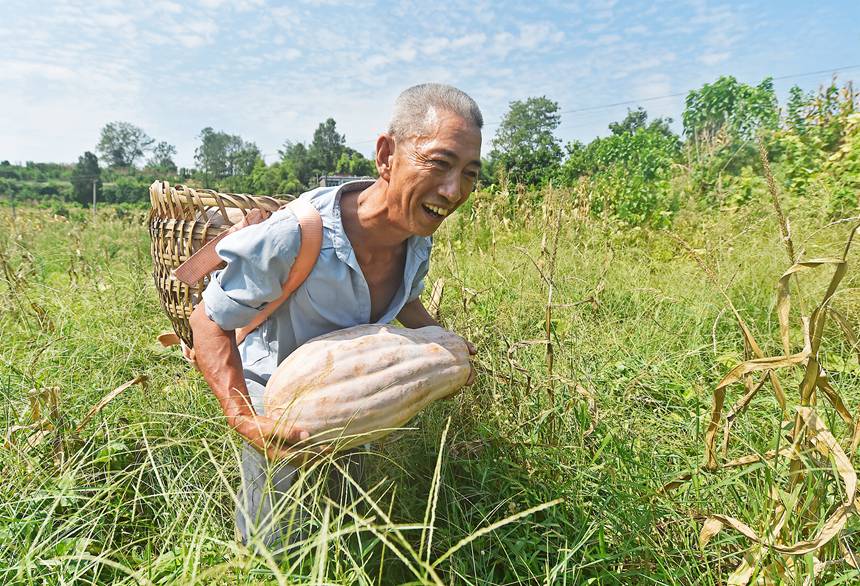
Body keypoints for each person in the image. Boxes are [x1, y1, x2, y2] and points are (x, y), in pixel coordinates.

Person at [189, 82, 482, 550]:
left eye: (470, 173)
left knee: (348, 539)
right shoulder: (295, 234)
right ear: (386, 155)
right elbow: (208, 320)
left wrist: (442, 343)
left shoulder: (417, 235)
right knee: (274, 551)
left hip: (359, 404)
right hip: (279, 418)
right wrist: (244, 418)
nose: (453, 190)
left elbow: (404, 299)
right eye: (440, 163)